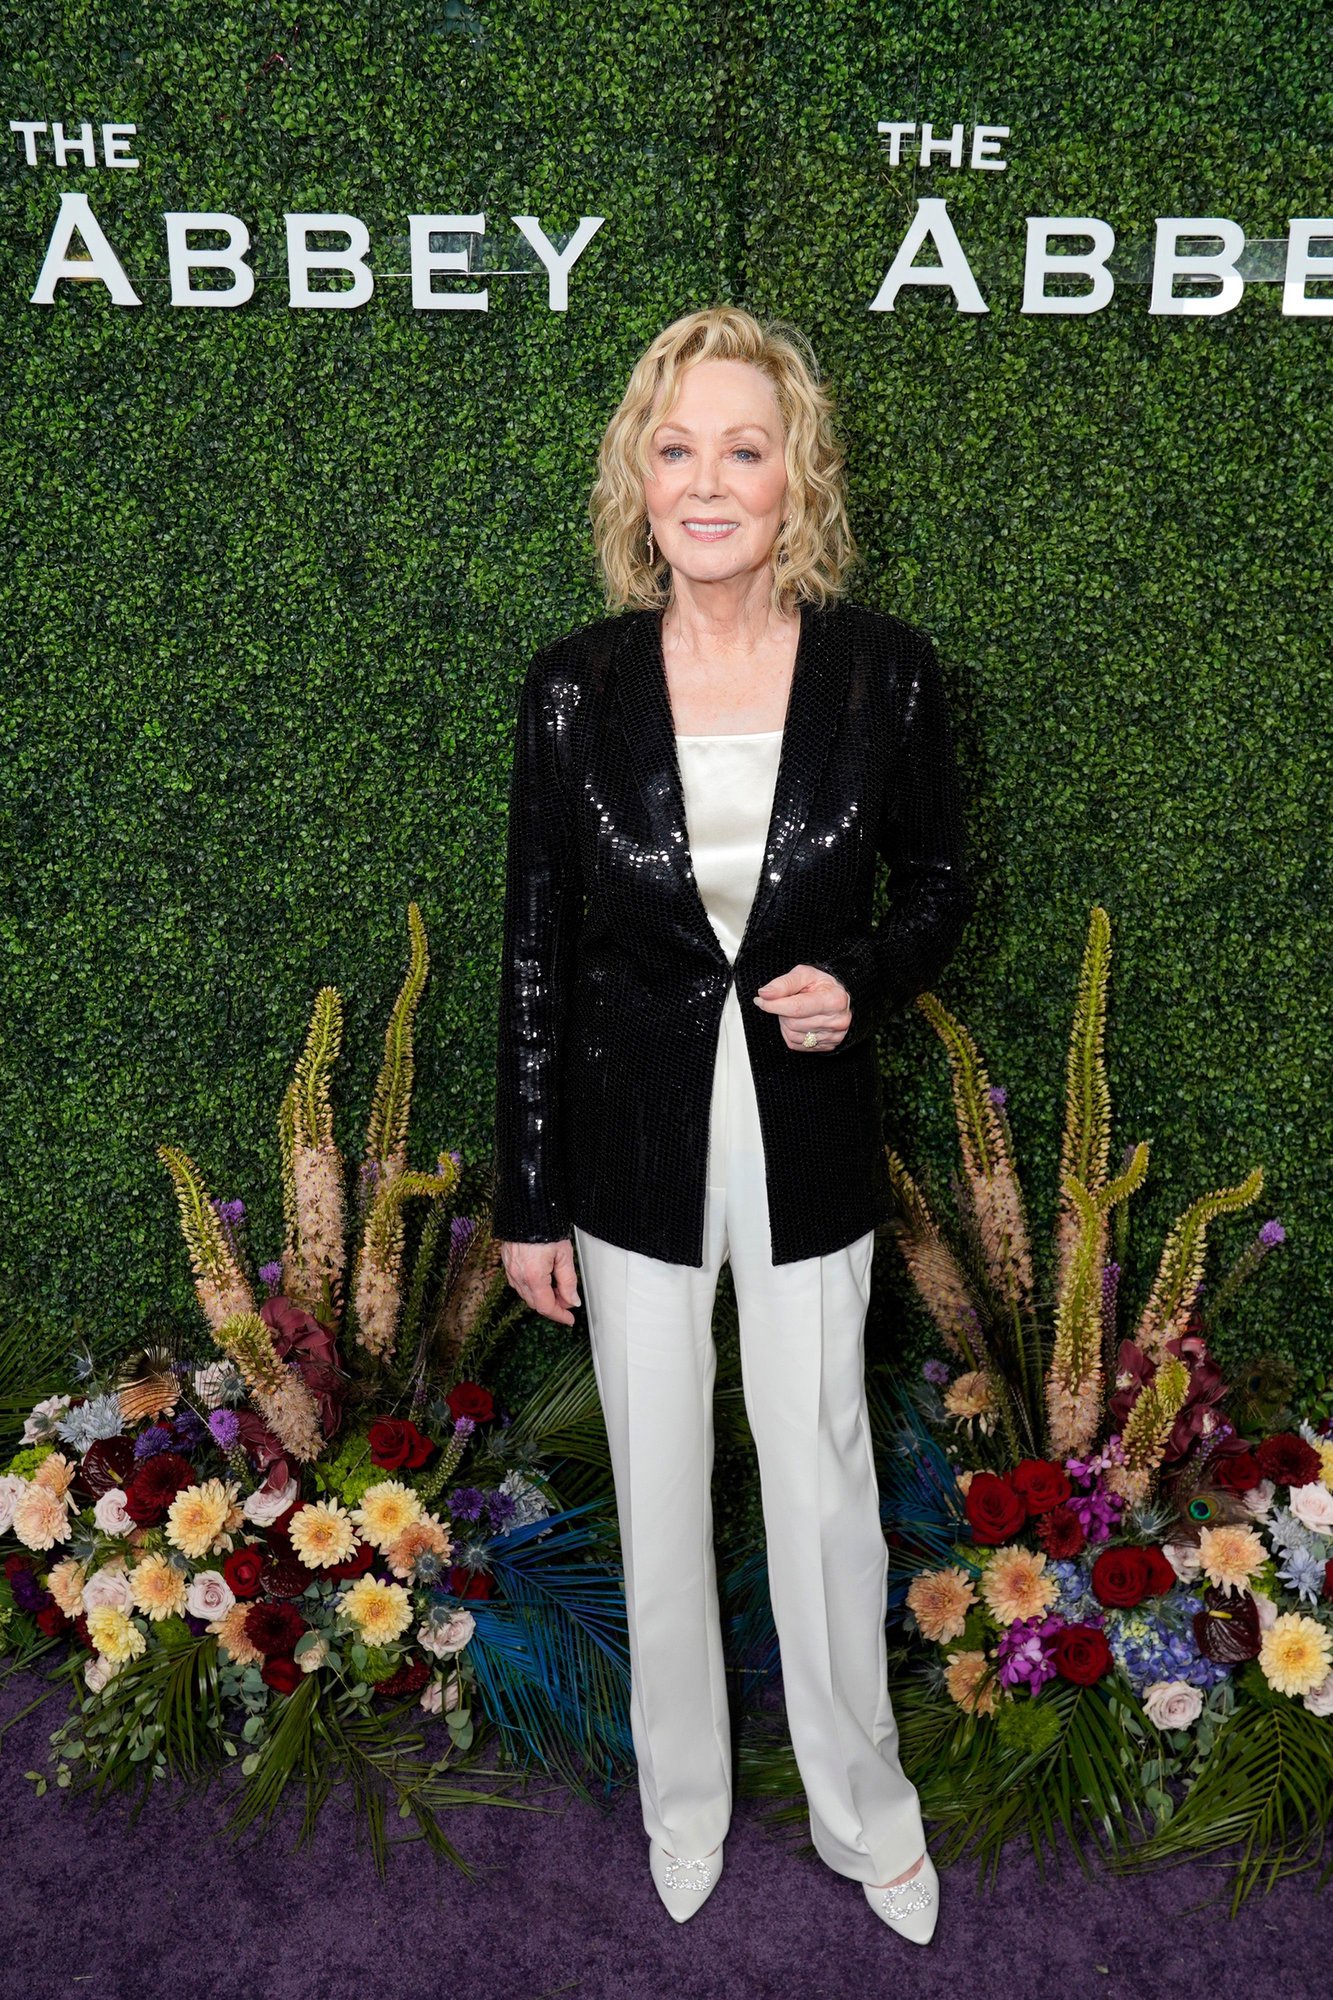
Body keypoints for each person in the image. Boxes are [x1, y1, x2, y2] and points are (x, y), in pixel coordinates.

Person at [492, 304, 974, 1941]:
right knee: (655, 1467)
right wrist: (529, 1193)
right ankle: (680, 1800)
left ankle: (864, 1811)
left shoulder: (881, 674)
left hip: (806, 1124)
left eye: (743, 449)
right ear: (638, 478)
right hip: (625, 1141)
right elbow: (534, 947)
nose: (708, 482)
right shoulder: (573, 689)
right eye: (677, 447)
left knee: (820, 1465)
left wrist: (865, 976)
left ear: (796, 479)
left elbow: (938, 881)